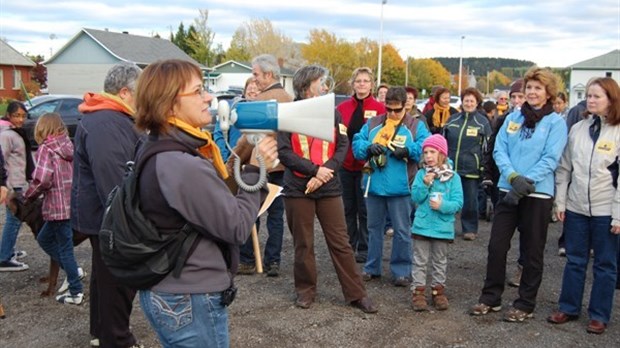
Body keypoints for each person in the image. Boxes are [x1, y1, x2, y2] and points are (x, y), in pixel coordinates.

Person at [131, 58, 277, 348]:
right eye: (198, 91)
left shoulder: (158, 147)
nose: (209, 97)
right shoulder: (180, 163)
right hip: (189, 296)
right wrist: (255, 170)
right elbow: (236, 227)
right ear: (169, 104)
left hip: (172, 290)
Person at [277, 64, 377, 313]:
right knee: (303, 243)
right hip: (298, 188)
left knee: (341, 242)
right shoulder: (287, 113)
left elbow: (343, 145)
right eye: (320, 82)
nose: (324, 86)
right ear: (306, 85)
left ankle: (356, 294)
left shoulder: (332, 113)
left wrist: (323, 174)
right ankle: (305, 291)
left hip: (329, 185)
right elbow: (284, 152)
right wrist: (314, 171)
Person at [470, 67, 567, 322]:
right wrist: (512, 177)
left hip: (537, 195)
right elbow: (499, 150)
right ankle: (491, 297)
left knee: (532, 250)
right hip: (507, 190)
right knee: (497, 246)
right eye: (529, 88)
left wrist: (525, 182)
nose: (532, 92)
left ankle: (525, 302)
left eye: (538, 88)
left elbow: (551, 158)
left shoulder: (556, 123)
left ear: (548, 93)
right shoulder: (513, 118)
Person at [71, 62, 143, 348]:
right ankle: (117, 338)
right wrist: (129, 222)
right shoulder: (106, 122)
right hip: (108, 218)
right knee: (118, 279)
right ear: (125, 92)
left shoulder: (108, 117)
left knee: (105, 277)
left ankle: (102, 332)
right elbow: (113, 179)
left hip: (101, 216)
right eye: (140, 93)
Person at [547, 77, 620, 334]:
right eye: (588, 95)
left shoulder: (618, 131)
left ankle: (599, 314)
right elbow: (564, 168)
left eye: (596, 96)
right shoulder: (577, 129)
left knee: (605, 264)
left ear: (610, 100)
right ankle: (568, 307)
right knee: (575, 260)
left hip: (605, 210)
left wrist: (618, 215)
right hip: (577, 208)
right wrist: (562, 201)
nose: (590, 100)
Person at [352, 86, 429, 287]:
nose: (393, 114)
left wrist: (408, 150)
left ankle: (401, 271)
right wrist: (368, 148)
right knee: (373, 228)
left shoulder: (415, 126)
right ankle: (371, 267)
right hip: (374, 185)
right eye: (389, 109)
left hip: (402, 188)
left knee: (402, 230)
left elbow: (425, 147)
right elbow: (356, 143)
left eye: (397, 110)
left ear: (406, 106)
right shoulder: (373, 123)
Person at [232, 54, 292, 277]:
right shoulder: (288, 98)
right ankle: (272, 261)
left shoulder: (261, 101)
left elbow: (248, 139)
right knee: (276, 216)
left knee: (250, 211)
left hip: (259, 165)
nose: (253, 78)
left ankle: (247, 259)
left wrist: (233, 161)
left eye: (256, 74)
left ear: (268, 74)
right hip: (281, 166)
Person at [22, 113, 83, 304]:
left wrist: (29, 195)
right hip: (70, 204)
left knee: (64, 248)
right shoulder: (68, 146)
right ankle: (74, 271)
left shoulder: (46, 149)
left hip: (57, 207)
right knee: (45, 238)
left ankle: (76, 290)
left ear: (42, 129)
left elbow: (42, 179)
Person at [336, 67, 386, 263]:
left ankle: (365, 248)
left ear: (371, 84)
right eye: (358, 81)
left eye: (365, 81)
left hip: (369, 167)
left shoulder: (380, 109)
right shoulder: (342, 108)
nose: (362, 84)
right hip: (345, 165)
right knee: (348, 208)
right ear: (353, 84)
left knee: (365, 209)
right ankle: (349, 244)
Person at [410, 134, 463, 311]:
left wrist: (443, 205)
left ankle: (438, 292)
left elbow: (458, 203)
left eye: (433, 152)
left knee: (440, 260)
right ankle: (418, 292)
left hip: (443, 226)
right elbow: (415, 197)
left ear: (442, 154)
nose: (429, 156)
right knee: (420, 260)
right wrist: (425, 184)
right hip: (422, 225)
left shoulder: (453, 178)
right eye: (426, 152)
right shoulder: (421, 174)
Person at [443, 87, 491, 241]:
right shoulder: (452, 119)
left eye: (472, 101)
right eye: (466, 100)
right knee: (448, 199)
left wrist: (483, 166)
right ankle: (445, 228)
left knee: (470, 201)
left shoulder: (482, 122)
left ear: (477, 103)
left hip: (471, 168)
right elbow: (442, 142)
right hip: (451, 167)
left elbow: (487, 147)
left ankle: (469, 229)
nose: (468, 103)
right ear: (462, 102)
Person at [0, 101, 34, 272]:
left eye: (23, 115)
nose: (20, 119)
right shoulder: (6, 135)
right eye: (16, 115)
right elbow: (2, 159)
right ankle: (4, 257)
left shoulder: (16, 132)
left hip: (20, 182)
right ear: (9, 115)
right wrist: (4, 185)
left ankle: (8, 250)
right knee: (13, 220)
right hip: (13, 185)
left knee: (15, 219)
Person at [214, 77, 257, 161]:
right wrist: (225, 157)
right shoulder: (232, 107)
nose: (252, 91)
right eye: (250, 88)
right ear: (244, 92)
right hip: (231, 158)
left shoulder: (263, 111)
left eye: (256, 89)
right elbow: (219, 134)